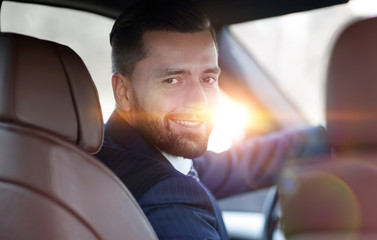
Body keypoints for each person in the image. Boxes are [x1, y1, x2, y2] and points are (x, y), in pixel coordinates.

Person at [95, 1, 327, 239]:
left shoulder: (117, 152)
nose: (200, 102)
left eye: (207, 79)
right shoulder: (165, 196)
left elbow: (235, 165)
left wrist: (328, 135)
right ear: (123, 91)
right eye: (173, 80)